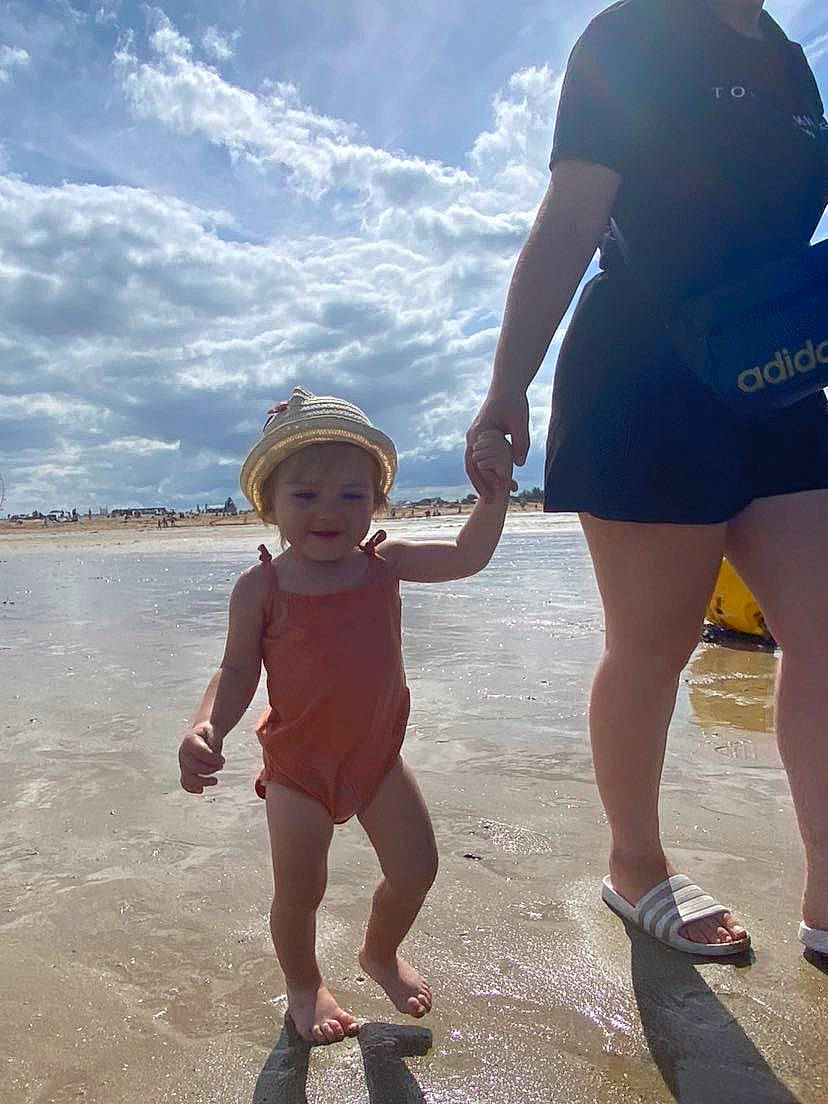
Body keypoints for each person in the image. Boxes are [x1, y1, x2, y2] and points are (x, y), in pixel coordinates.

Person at [466, 0, 828, 957]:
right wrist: (508, 386)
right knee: (653, 646)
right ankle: (636, 867)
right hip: (648, 373)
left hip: (783, 372)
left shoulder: (791, 60)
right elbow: (572, 218)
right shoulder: (628, 37)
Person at [178, 387, 514, 1044]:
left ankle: (379, 954)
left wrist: (493, 499)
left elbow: (467, 556)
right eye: (304, 496)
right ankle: (304, 986)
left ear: (377, 502)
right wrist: (207, 725)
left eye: (351, 495)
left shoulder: (384, 564)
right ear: (269, 504)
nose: (329, 511)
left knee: (417, 869)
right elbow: (238, 669)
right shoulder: (261, 587)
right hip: (298, 765)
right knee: (300, 890)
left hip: (375, 755)